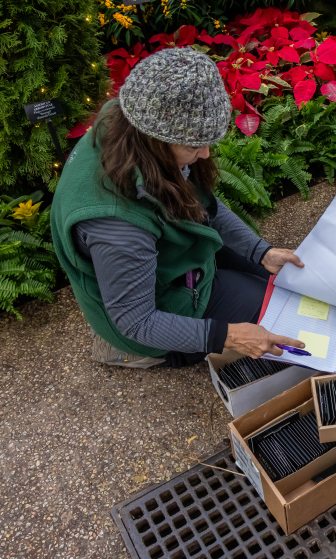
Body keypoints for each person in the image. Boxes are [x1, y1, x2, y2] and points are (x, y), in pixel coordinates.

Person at [51, 47, 306, 369]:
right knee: (280, 316)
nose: (204, 155)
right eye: (194, 146)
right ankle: (130, 354)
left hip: (167, 256)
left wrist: (261, 252)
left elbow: (200, 202)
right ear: (154, 141)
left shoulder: (128, 118)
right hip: (147, 323)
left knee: (278, 280)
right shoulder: (118, 228)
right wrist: (228, 336)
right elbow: (137, 321)